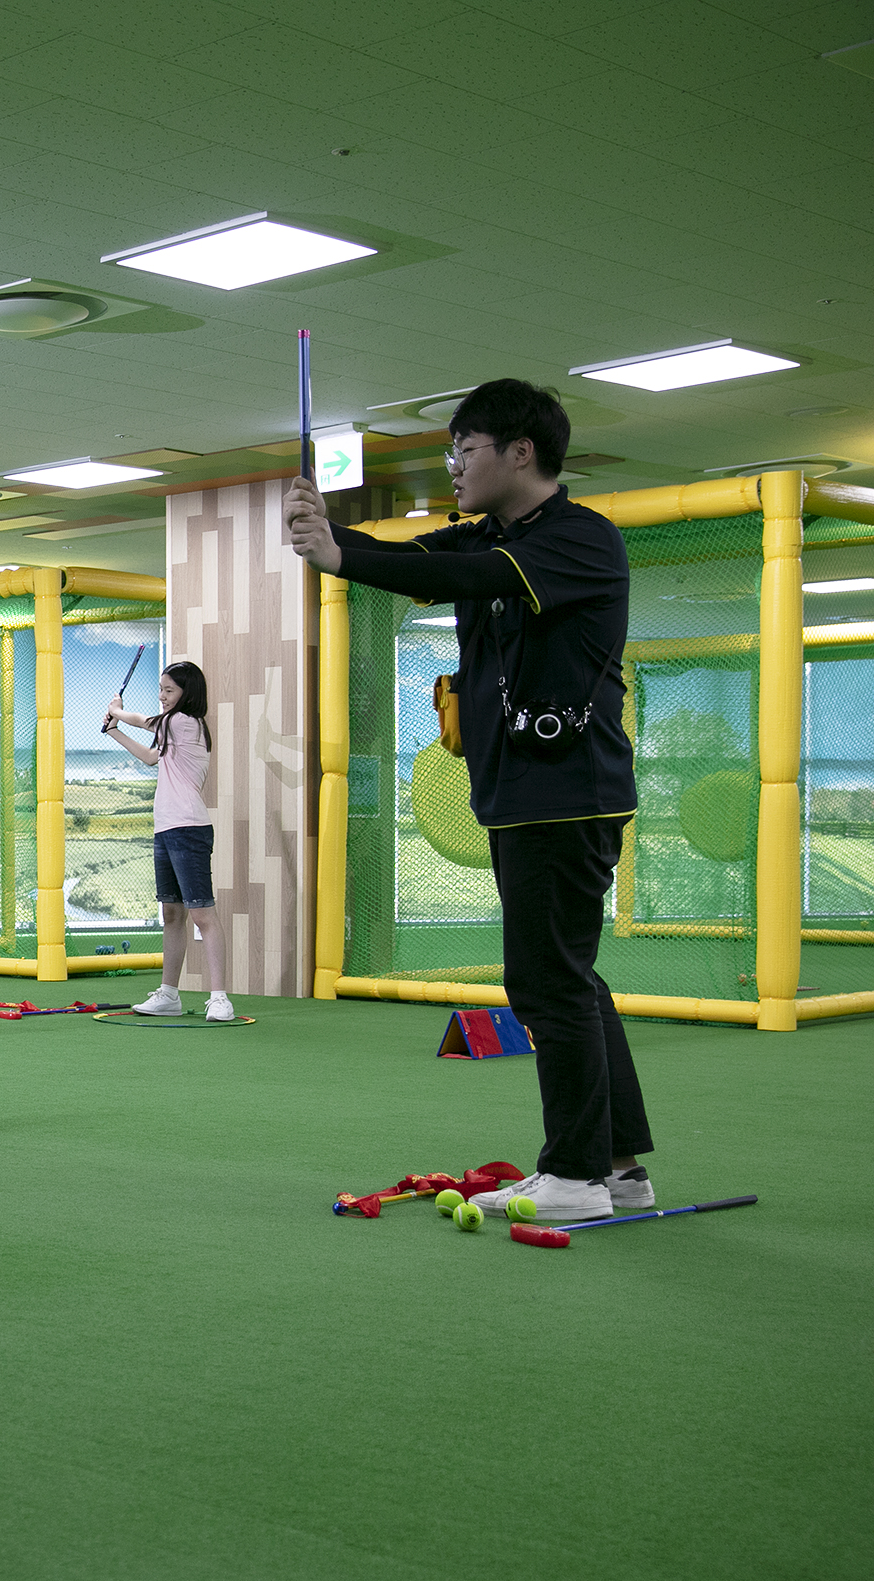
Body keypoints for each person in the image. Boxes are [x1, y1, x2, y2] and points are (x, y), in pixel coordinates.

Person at [287, 377, 649, 1225]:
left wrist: (336, 555)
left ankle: (575, 1178)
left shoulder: (579, 538)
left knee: (547, 983)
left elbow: (465, 575)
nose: (453, 465)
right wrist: (323, 533)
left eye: (466, 449)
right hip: (526, 794)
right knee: (569, 979)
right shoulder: (493, 533)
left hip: (565, 796)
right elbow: (421, 560)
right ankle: (617, 1169)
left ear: (521, 452)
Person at [104, 661, 233, 1022]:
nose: (162, 696)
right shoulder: (172, 728)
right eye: (160, 689)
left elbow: (146, 722)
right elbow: (150, 757)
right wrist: (113, 731)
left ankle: (220, 998)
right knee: (172, 914)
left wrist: (116, 710)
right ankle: (169, 995)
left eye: (169, 690)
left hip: (188, 828)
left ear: (186, 693)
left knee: (203, 914)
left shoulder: (184, 722)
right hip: (166, 829)